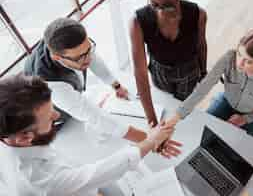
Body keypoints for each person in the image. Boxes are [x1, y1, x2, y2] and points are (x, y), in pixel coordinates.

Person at [0, 75, 179, 196]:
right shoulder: (34, 180)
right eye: (49, 117)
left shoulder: (15, 137)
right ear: (24, 138)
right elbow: (92, 175)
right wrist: (149, 141)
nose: (57, 116)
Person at [163, 29, 253, 136]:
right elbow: (204, 87)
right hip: (226, 101)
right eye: (239, 54)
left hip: (251, 114)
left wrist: (247, 118)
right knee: (200, 131)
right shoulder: (229, 58)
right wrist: (177, 117)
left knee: (230, 151)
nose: (239, 63)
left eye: (248, 61)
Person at [24, 17, 128, 125]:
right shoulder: (49, 83)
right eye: (80, 57)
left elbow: (95, 61)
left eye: (89, 50)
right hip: (53, 111)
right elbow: (91, 115)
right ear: (57, 57)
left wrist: (116, 86)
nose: (88, 59)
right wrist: (142, 137)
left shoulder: (70, 44)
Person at [130, 0, 208, 126]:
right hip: (159, 72)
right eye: (154, 5)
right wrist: (153, 122)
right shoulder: (137, 22)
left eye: (168, 5)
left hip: (189, 71)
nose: (160, 11)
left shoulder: (199, 14)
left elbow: (201, 45)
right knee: (165, 103)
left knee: (183, 110)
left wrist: (204, 72)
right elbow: (140, 73)